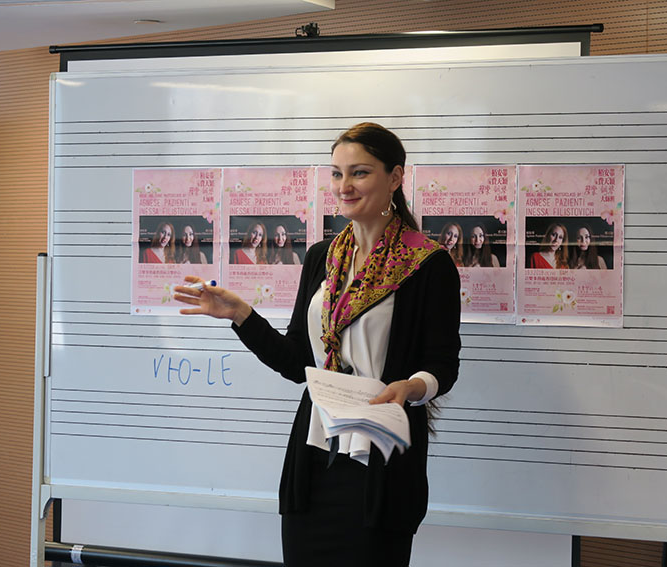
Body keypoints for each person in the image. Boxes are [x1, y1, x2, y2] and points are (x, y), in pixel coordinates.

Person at [174, 123, 461, 567]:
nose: (344, 186)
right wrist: (240, 315)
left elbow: (443, 364)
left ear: (395, 177)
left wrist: (411, 387)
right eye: (337, 173)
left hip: (381, 462)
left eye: (359, 173)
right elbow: (297, 364)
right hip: (314, 458)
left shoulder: (428, 264)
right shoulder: (321, 258)